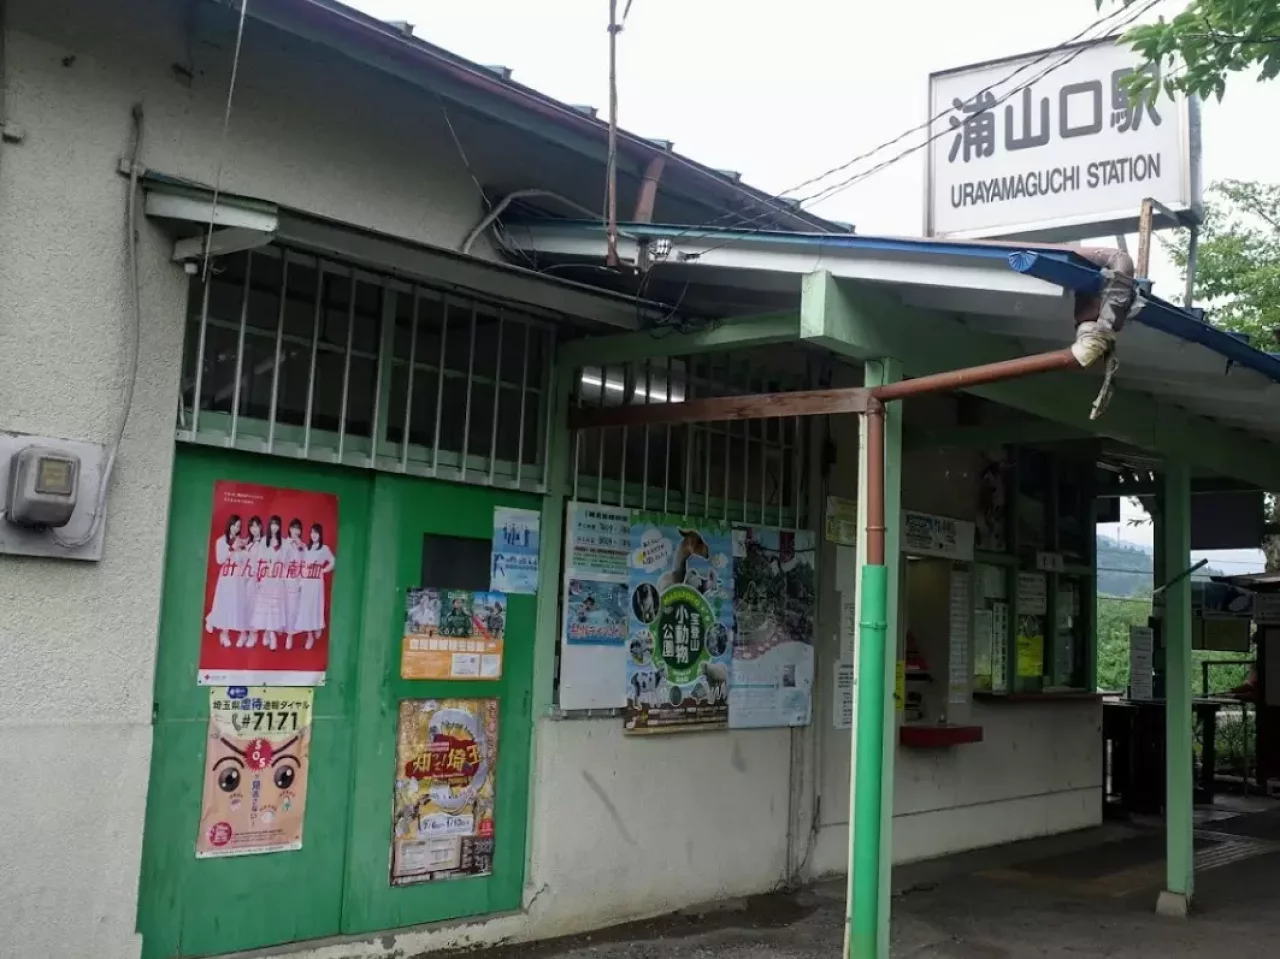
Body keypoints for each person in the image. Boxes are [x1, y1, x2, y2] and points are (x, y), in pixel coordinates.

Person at [206, 514, 247, 647]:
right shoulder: (221, 541)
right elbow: (219, 560)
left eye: (238, 526)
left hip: (238, 577)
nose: (236, 528)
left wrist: (242, 549)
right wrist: (231, 549)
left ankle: (240, 632)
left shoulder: (240, 541)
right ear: (229, 525)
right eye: (234, 525)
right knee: (224, 603)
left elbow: (242, 560)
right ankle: (224, 633)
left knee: (236, 603)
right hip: (226, 577)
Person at [292, 522, 335, 650]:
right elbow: (302, 563)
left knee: (316, 606)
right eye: (312, 532)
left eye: (316, 532)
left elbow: (332, 561)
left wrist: (323, 570)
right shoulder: (307, 548)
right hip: (306, 581)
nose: (314, 535)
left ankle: (317, 626)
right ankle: (309, 635)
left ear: (320, 534)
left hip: (316, 582)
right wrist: (300, 581)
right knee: (306, 608)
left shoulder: (324, 549)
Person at [251, 515, 290, 650]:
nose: (274, 527)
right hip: (266, 578)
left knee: (274, 608)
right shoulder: (263, 541)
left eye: (277, 524)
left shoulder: (283, 543)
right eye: (273, 524)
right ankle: (270, 634)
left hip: (277, 580)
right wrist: (259, 578)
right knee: (266, 607)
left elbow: (286, 562)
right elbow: (258, 561)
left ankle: (270, 634)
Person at [236, 516, 265, 648]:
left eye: (256, 526)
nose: (254, 529)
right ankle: (243, 632)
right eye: (251, 526)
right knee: (243, 605)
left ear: (260, 527)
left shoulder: (264, 542)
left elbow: (263, 562)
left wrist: (259, 578)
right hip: (244, 577)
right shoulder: (247, 542)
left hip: (255, 578)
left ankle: (253, 633)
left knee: (253, 606)